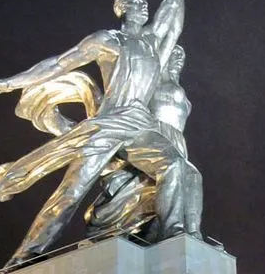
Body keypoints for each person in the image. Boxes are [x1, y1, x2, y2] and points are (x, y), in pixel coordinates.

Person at [0, 0, 193, 267]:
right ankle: (24, 257)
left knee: (175, 166)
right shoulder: (108, 40)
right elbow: (59, 64)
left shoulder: (153, 43)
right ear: (120, 8)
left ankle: (173, 232)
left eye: (144, 1)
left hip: (141, 126)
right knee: (71, 192)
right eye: (134, 1)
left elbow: (174, 0)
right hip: (109, 123)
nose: (143, 5)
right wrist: (15, 81)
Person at [85, 44, 203, 241]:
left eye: (181, 55)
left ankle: (192, 236)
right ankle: (173, 230)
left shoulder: (183, 95)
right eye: (173, 53)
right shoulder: (150, 84)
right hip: (150, 136)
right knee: (168, 171)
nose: (178, 58)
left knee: (193, 177)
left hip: (175, 142)